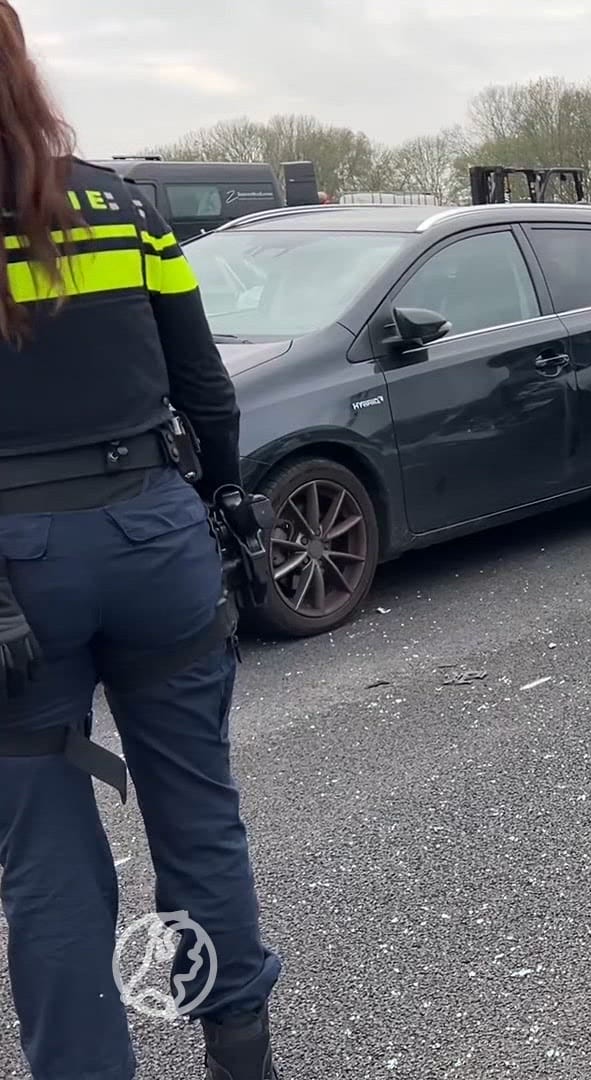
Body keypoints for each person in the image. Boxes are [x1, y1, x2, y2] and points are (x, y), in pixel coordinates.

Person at [0, 5, 282, 1078]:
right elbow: (206, 389)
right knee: (198, 819)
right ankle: (238, 1054)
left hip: (16, 574)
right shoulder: (119, 204)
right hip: (151, 534)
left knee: (50, 864)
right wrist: (222, 499)